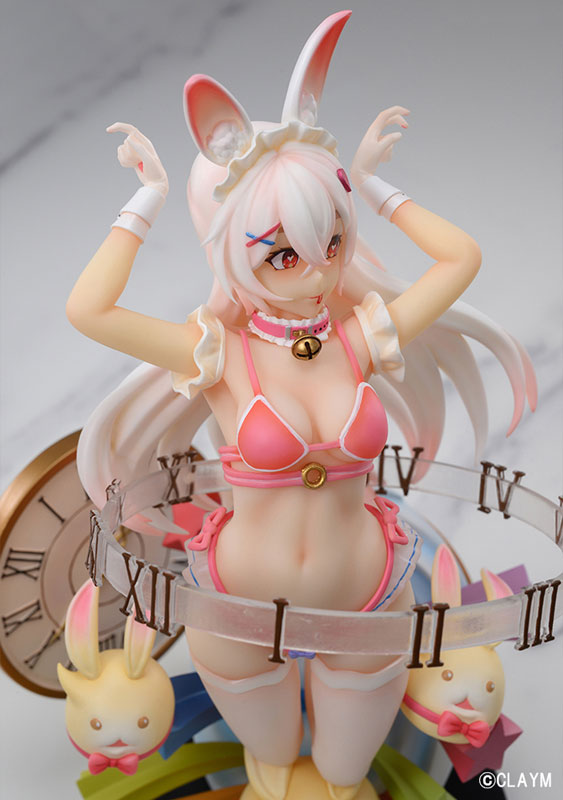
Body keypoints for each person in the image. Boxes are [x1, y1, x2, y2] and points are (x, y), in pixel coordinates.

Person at [66, 12, 535, 800]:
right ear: (230, 249)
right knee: (276, 766)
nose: (316, 272)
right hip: (238, 610)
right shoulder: (218, 354)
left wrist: (374, 186)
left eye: (332, 242)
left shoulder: (359, 338)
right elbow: (89, 310)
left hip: (368, 600)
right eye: (282, 253)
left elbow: (461, 258)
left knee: (345, 777)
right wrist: (144, 202)